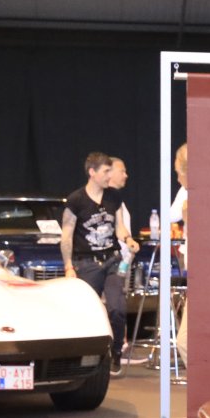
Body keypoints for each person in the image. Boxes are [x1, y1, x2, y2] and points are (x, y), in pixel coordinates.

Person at [61, 152, 138, 375]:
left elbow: (119, 227)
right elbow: (66, 237)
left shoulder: (114, 198)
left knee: (117, 308)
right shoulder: (76, 200)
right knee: (86, 311)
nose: (109, 176)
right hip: (87, 263)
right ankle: (81, 356)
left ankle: (116, 352)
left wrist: (128, 239)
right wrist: (68, 266)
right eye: (106, 171)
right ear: (92, 172)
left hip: (112, 260)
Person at [171, 145, 189, 368]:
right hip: (194, 272)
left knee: (185, 341)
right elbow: (171, 215)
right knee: (184, 341)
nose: (177, 179)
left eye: (178, 173)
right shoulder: (185, 193)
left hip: (207, 275)